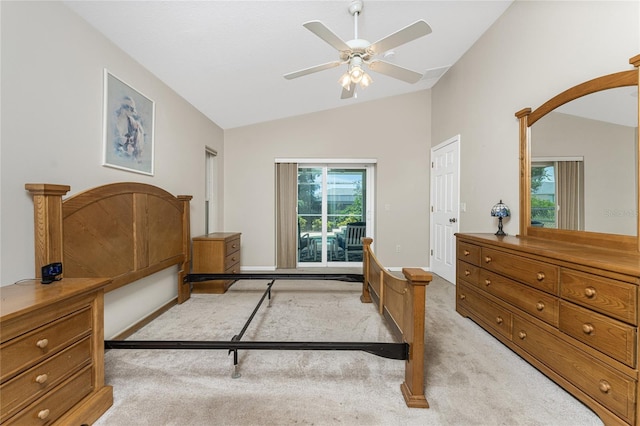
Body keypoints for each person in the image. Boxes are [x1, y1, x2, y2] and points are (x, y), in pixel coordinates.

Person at [114, 96, 145, 162]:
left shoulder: (131, 120)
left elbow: (137, 134)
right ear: (124, 108)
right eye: (131, 109)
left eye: (132, 109)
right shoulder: (114, 120)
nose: (132, 112)